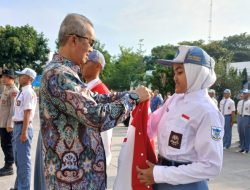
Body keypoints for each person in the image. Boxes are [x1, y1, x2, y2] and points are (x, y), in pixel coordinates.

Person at [38, 13, 151, 190]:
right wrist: (133, 98)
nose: (91, 49)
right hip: (72, 181)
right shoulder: (58, 74)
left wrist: (129, 94)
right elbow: (95, 116)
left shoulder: (65, 72)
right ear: (74, 40)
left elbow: (94, 99)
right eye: (90, 42)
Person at [136, 45, 224, 190]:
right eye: (174, 72)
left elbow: (211, 166)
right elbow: (150, 126)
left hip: (187, 184)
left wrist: (160, 174)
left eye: (180, 72)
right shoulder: (174, 99)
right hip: (160, 177)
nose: (174, 77)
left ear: (196, 73)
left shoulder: (207, 111)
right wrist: (136, 105)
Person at [81, 49, 113, 166]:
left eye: (87, 61)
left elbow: (105, 132)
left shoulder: (102, 93)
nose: (82, 63)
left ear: (98, 66)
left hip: (94, 160)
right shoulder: (84, 89)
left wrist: (101, 162)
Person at [11, 68, 37, 190]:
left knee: (23, 162)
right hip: (18, 126)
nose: (19, 77)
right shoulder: (23, 91)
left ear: (29, 78)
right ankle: (18, 187)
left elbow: (27, 113)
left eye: (22, 75)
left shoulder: (28, 92)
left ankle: (24, 188)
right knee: (18, 160)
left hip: (23, 126)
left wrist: (24, 132)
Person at [0, 69, 18, 177]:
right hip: (2, 122)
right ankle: (7, 165)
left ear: (11, 78)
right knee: (4, 144)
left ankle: (9, 166)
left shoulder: (14, 91)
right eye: (2, 77)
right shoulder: (6, 89)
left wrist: (10, 124)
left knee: (7, 145)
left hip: (7, 124)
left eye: (5, 77)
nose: (3, 78)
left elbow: (13, 109)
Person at [236, 89, 250, 153]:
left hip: (247, 117)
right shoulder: (240, 102)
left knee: (246, 133)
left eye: (245, 93)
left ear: (248, 94)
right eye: (243, 93)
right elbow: (238, 110)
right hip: (240, 117)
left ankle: (247, 148)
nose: (244, 94)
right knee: (240, 133)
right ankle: (242, 147)